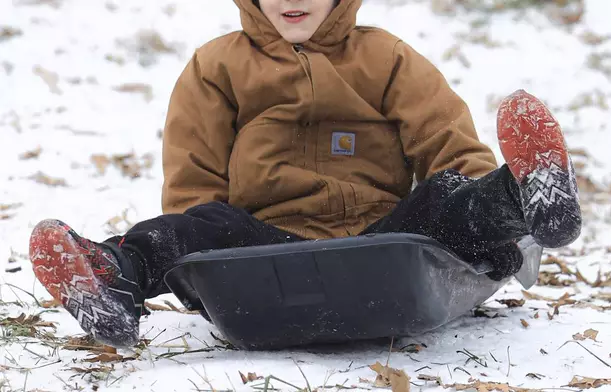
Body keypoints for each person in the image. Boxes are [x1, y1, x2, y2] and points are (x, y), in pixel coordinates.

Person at [28, 0, 582, 348]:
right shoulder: (216, 67)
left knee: (445, 194)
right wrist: (200, 278)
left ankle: (525, 197)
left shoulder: (386, 58)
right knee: (199, 224)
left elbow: (448, 145)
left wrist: (474, 215)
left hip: (385, 244)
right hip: (263, 252)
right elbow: (193, 181)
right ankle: (112, 276)